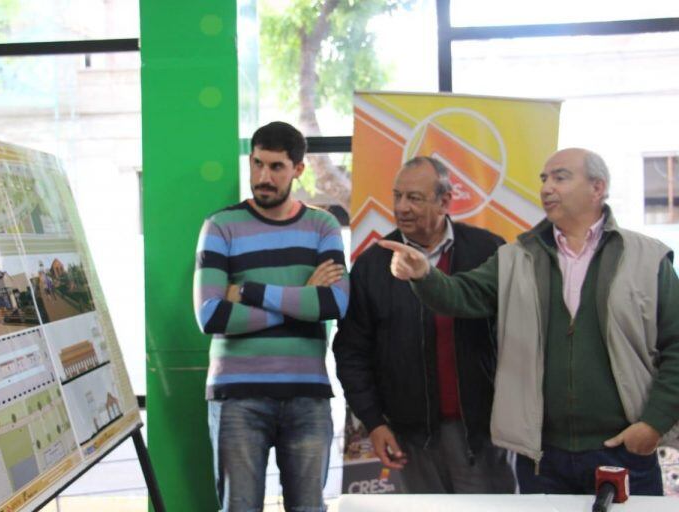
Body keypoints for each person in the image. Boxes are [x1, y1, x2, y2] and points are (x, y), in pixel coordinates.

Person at [380, 148, 679, 495]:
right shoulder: (516, 256)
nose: (547, 187)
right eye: (544, 179)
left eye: (560, 177)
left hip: (624, 451)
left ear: (597, 188)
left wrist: (653, 425)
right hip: (542, 458)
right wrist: (423, 274)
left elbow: (676, 347)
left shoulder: (648, 257)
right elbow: (462, 294)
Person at [333, 156, 515, 493]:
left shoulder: (488, 251)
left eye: (414, 198)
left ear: (445, 201)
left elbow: (518, 337)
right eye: (397, 196)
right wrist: (373, 421)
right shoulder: (373, 265)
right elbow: (351, 351)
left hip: (483, 434)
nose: (401, 207)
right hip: (410, 438)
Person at [193, 121, 348, 511]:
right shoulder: (220, 226)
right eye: (257, 164)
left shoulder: (323, 225)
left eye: (276, 167)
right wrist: (301, 303)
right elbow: (211, 316)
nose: (263, 177)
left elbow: (334, 305)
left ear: (298, 168)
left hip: (307, 396)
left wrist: (248, 292)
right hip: (237, 398)